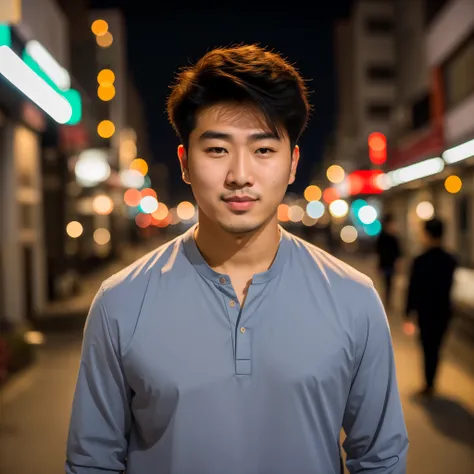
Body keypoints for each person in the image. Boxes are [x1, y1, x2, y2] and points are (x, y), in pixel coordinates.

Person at [66, 44, 408, 474]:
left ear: (292, 163)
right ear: (185, 163)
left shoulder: (354, 299)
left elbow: (381, 459)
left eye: (264, 150)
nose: (240, 175)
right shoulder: (121, 301)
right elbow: (92, 461)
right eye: (216, 149)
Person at [405, 217, 457, 397]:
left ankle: (428, 383)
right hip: (443, 311)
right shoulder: (450, 260)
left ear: (426, 234)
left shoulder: (420, 260)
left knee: (427, 346)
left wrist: (408, 311)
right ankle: (431, 381)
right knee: (436, 346)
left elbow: (413, 288)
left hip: (425, 311)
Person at [375, 213, 401, 309]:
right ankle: (386, 301)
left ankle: (388, 301)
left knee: (390, 283)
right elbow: (378, 251)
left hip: (391, 264)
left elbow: (398, 252)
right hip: (384, 263)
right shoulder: (382, 236)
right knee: (385, 283)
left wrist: (398, 263)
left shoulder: (394, 237)